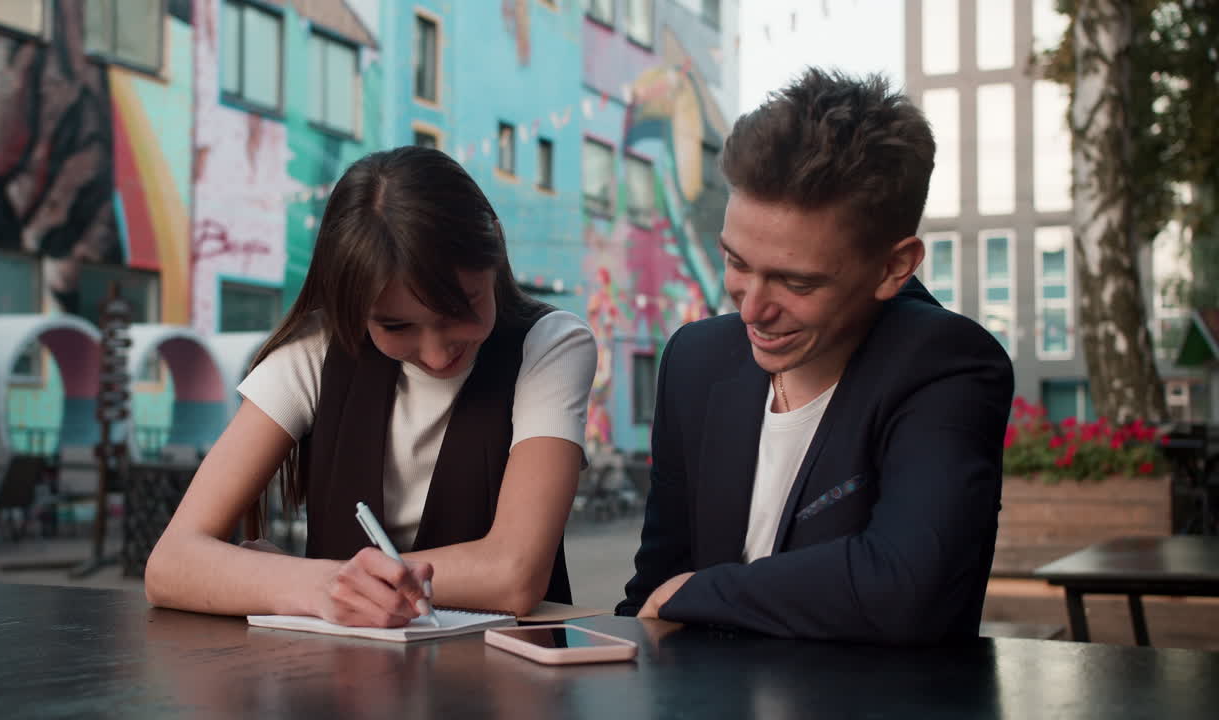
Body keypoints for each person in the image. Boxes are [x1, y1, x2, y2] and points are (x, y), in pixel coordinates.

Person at [616, 68, 1014, 644]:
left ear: (892, 268)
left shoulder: (947, 365)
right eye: (737, 262)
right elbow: (651, 593)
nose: (751, 309)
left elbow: (908, 586)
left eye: (796, 284)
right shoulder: (695, 362)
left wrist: (699, 592)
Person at [146, 147, 597, 627]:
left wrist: (284, 576)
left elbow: (515, 574)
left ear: (494, 257)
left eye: (461, 310)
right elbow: (170, 565)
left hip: (506, 680)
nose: (437, 353)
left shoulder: (549, 345)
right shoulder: (315, 352)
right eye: (398, 326)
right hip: (343, 684)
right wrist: (321, 586)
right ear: (353, 305)